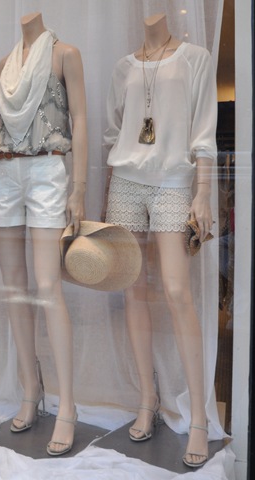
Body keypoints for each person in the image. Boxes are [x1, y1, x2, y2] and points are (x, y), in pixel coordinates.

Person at [103, 13, 217, 468]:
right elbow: (113, 133)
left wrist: (203, 192)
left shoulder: (195, 58)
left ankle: (199, 418)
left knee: (176, 291)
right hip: (125, 183)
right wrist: (104, 196)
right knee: (132, 289)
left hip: (173, 180)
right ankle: (147, 399)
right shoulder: (125, 66)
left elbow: (203, 131)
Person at [0, 12, 87, 456]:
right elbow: (1, 122)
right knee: (13, 288)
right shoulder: (4, 64)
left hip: (46, 168)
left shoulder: (65, 54)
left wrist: (78, 188)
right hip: (4, 170)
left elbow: (79, 118)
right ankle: (31, 389)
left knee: (47, 287)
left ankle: (68, 405)